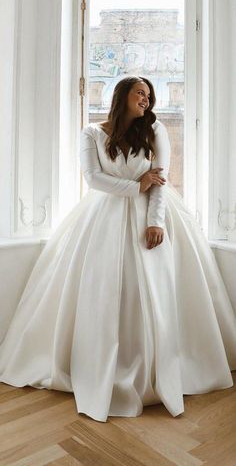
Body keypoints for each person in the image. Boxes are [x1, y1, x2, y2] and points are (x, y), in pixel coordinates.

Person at [0, 76, 235, 423]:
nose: (146, 99)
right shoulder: (92, 133)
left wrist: (155, 222)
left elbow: (161, 178)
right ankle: (98, 366)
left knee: (153, 291)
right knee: (103, 292)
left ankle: (161, 367)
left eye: (149, 95)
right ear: (123, 95)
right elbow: (93, 178)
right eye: (140, 92)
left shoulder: (154, 130)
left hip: (151, 216)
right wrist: (135, 184)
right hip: (103, 216)